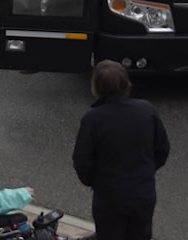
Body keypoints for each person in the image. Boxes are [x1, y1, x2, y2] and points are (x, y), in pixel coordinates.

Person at [72, 60, 169, 240]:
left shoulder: (93, 119)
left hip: (110, 198)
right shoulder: (146, 110)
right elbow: (162, 149)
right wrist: (145, 171)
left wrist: (97, 183)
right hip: (143, 194)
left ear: (97, 86)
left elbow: (82, 161)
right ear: (126, 82)